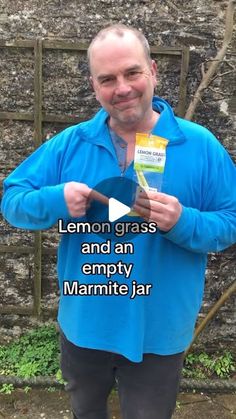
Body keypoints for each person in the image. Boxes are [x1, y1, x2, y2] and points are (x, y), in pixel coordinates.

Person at [1, 23, 236, 419]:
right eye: (107, 79)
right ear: (94, 87)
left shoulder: (200, 146)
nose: (122, 87)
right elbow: (13, 200)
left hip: (159, 334)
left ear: (153, 72)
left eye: (132, 72)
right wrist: (55, 199)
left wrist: (183, 220)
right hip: (85, 326)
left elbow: (229, 224)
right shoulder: (71, 143)